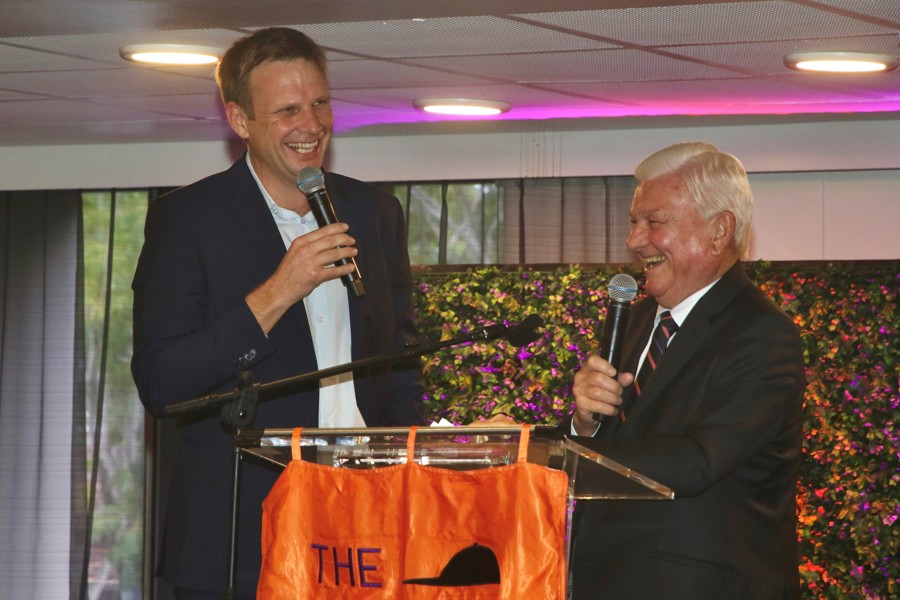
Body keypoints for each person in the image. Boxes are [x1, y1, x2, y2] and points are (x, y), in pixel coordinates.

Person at [131, 27, 424, 597]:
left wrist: (403, 470)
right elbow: (161, 382)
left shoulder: (375, 211)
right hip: (243, 528)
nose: (311, 125)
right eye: (288, 110)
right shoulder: (188, 219)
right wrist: (278, 291)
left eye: (320, 103)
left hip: (365, 519)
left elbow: (401, 362)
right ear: (240, 120)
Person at [567, 142, 806, 599]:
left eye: (654, 222)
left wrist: (561, 455)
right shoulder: (633, 321)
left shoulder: (762, 333)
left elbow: (699, 460)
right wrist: (584, 423)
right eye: (634, 222)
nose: (635, 241)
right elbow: (617, 443)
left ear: (719, 231)